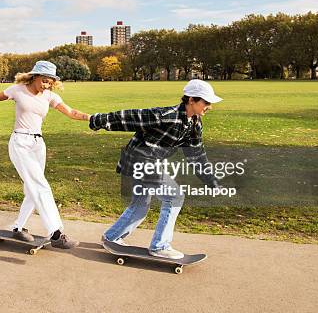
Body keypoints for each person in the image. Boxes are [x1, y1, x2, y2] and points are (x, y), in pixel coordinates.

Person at [89, 79, 223, 259]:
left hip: (149, 162)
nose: (209, 107)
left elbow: (196, 155)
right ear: (191, 100)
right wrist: (97, 120)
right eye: (206, 102)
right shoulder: (166, 115)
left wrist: (211, 180)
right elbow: (132, 117)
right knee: (175, 196)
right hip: (140, 160)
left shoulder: (195, 124)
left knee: (140, 204)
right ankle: (160, 246)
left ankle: (112, 237)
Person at [0, 61, 90, 249]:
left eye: (50, 82)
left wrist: (93, 118)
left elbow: (71, 112)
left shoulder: (49, 96)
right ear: (35, 76)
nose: (46, 85)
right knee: (40, 185)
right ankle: (56, 232)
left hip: (38, 144)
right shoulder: (18, 90)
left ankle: (18, 227)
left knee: (32, 188)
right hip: (20, 143)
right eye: (44, 81)